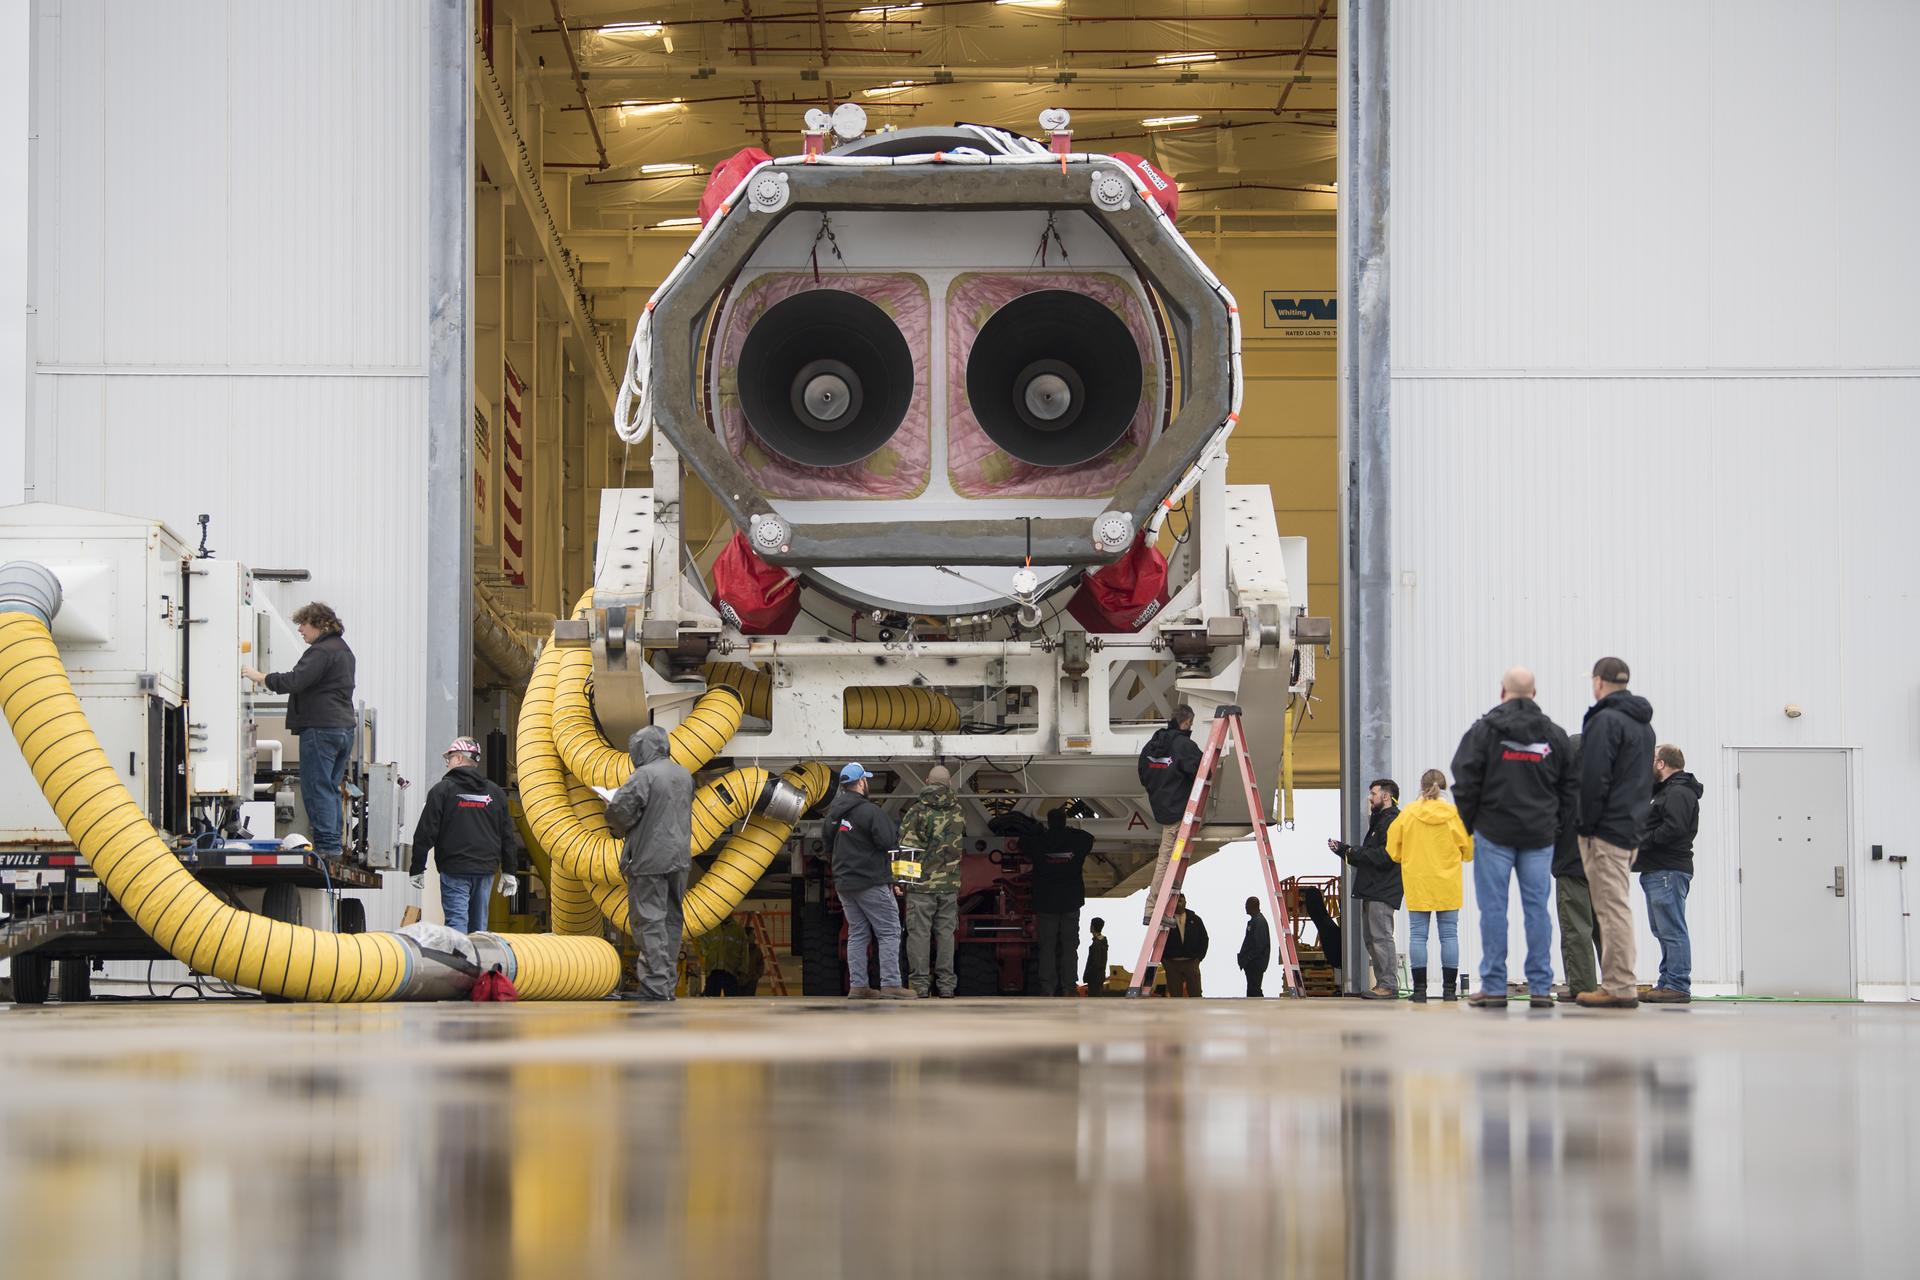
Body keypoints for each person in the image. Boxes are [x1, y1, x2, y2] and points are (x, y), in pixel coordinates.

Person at [1451, 667, 1577, 1010]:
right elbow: (1570, 788)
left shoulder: (1484, 732)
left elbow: (1463, 778)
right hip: (1539, 836)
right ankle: (1539, 988)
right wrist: (1556, 825)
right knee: (1538, 910)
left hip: (1494, 833)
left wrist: (1472, 822)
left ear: (1502, 692)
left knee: (1493, 910)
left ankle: (1493, 987)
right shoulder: (1554, 735)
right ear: (1534, 694)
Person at [241, 602, 356, 856]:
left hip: (321, 727)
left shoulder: (321, 651)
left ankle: (327, 846)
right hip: (343, 728)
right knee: (330, 787)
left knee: (317, 787)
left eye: (303, 624)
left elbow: (296, 680)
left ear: (319, 624)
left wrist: (261, 677)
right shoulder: (343, 651)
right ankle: (333, 843)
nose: (300, 630)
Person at [1576, 657, 1656, 1010]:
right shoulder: (1643, 725)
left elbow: (1594, 779)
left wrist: (1586, 824)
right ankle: (1617, 981)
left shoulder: (1605, 720)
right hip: (1630, 825)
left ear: (1598, 682)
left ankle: (1619, 985)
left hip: (1606, 828)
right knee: (1615, 906)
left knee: (1611, 909)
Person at [605, 726, 694, 1001]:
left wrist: (616, 823)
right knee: (671, 920)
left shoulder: (644, 775)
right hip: (679, 859)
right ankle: (664, 986)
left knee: (649, 920)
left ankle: (655, 987)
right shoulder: (684, 774)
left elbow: (619, 811)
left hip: (650, 859)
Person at [407, 737, 520, 934]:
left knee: (456, 926)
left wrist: (417, 867)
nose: (447, 764)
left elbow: (426, 831)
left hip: (455, 869)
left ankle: (458, 963)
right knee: (478, 929)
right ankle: (476, 963)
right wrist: (509, 870)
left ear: (459, 758)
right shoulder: (495, 793)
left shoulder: (442, 791)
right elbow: (506, 835)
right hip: (485, 870)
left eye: (449, 759)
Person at [825, 763, 917, 1000]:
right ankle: (890, 984)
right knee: (889, 931)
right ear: (862, 783)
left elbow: (827, 846)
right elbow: (888, 841)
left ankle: (858, 986)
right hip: (870, 882)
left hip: (844, 883)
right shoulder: (870, 812)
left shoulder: (833, 815)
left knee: (857, 933)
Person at [1387, 769, 1474, 1002]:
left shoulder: (1408, 814)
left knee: (1418, 936)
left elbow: (1393, 850)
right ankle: (1448, 991)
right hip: (1448, 883)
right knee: (1449, 935)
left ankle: (1420, 991)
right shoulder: (1454, 814)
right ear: (1444, 787)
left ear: (1421, 786)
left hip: (1418, 882)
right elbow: (1468, 851)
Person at [1328, 779, 1403, 998]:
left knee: (1381, 937)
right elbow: (1372, 856)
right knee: (1372, 938)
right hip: (1374, 889)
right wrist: (1345, 852)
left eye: (1373, 794)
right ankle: (1384, 984)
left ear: (1386, 797)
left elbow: (1384, 856)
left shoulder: (1391, 821)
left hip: (1382, 890)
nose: (1369, 798)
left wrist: (1351, 851)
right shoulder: (1381, 822)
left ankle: (1388, 985)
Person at [1638, 744, 1702, 1004]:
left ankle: (1677, 984)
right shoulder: (1666, 792)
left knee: (1672, 929)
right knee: (1662, 929)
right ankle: (1666, 982)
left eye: (1651, 759)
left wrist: (1641, 841)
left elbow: (1673, 829)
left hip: (1668, 870)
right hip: (1658, 869)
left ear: (1662, 764)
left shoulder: (1678, 793)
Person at [898, 764, 964, 999]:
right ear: (949, 784)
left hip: (921, 887)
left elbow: (908, 849)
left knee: (919, 935)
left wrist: (903, 881)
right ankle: (946, 986)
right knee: (946, 935)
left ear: (926, 781)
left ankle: (919, 986)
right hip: (949, 886)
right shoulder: (958, 811)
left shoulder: (917, 812)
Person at [1138, 704, 1203, 924]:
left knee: (1168, 858)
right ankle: (1154, 909)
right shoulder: (1183, 745)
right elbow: (1203, 770)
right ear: (1186, 722)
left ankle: (1156, 906)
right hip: (1179, 811)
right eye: (1191, 724)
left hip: (1162, 808)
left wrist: (1158, 792)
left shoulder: (1152, 744)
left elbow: (1143, 772)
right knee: (1167, 859)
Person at [1554, 734, 1601, 1003]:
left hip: (1572, 863)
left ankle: (1582, 986)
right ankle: (1617, 983)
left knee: (1576, 927)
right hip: (1605, 865)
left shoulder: (1564, 790)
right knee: (1607, 926)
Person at [1030, 806, 1095, 996]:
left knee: (1047, 948)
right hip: (1070, 902)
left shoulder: (1040, 841)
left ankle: (1047, 988)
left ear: (1048, 822)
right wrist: (1067, 831)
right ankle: (1069, 987)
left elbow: (1023, 843)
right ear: (1065, 821)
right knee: (1070, 948)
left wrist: (1043, 831)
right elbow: (1089, 838)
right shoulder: (1077, 840)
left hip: (1046, 903)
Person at [698, 916, 762, 997]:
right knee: (712, 1000)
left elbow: (744, 953)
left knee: (732, 1000)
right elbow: (701, 942)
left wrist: (743, 971)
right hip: (714, 970)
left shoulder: (738, 930)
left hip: (731, 971)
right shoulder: (711, 929)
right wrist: (705, 953)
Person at [1160, 893, 1209, 997]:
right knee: (1175, 994)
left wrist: (1198, 958)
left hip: (1191, 962)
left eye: (1181, 901)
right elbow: (1158, 940)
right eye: (1176, 901)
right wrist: (1164, 960)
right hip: (1171, 963)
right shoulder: (1165, 919)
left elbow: (1204, 939)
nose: (1178, 904)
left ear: (1185, 902)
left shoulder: (1195, 919)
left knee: (1195, 993)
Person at [1238, 896, 1272, 997]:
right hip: (1253, 963)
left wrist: (1247, 959)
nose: (1245, 907)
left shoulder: (1259, 922)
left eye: (1247, 905)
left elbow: (1259, 945)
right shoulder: (1255, 921)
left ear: (1253, 906)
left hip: (1255, 963)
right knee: (1252, 989)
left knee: (1254, 990)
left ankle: (1259, 1009)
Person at [1083, 917, 1109, 996]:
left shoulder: (1096, 944)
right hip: (1100, 977)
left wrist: (1087, 975)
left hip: (1094, 978)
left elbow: (1095, 963)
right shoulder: (1103, 942)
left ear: (1093, 927)